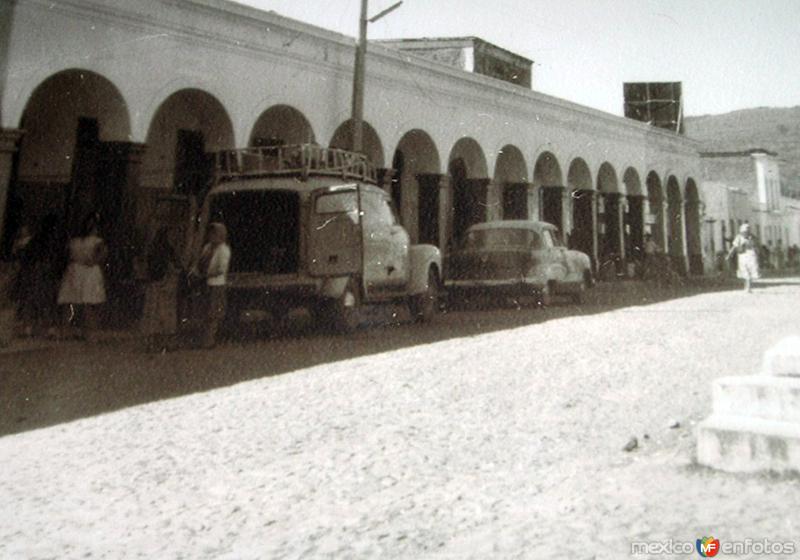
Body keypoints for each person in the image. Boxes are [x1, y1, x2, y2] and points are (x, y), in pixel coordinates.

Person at [12, 216, 64, 337]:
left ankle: (28, 327)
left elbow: (28, 256)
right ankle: (48, 328)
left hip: (34, 271)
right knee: (46, 300)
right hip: (46, 272)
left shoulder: (36, 240)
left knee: (31, 299)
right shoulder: (54, 240)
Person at [57, 214, 107, 340]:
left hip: (74, 270)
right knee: (89, 302)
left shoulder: (74, 242)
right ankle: (89, 332)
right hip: (89, 272)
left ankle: (65, 331)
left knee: (69, 302)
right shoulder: (97, 242)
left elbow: (67, 255)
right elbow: (100, 258)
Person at [140, 225, 183, 352]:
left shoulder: (154, 250)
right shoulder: (167, 251)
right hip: (164, 285)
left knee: (155, 314)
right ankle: (163, 343)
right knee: (163, 314)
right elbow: (175, 267)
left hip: (156, 285)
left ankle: (154, 343)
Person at [193, 222, 231, 349]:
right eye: (210, 233)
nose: (211, 236)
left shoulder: (223, 250)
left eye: (214, 233)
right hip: (205, 284)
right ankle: (203, 339)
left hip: (216, 284)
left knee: (213, 314)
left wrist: (207, 274)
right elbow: (201, 262)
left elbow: (221, 269)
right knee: (204, 312)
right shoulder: (208, 247)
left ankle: (209, 341)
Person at [727, 223, 760, 293]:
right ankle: (746, 287)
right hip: (742, 256)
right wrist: (729, 254)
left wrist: (758, 253)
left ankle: (748, 287)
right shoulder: (738, 237)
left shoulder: (753, 237)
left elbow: (757, 246)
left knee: (750, 272)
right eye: (744, 231)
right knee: (744, 271)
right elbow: (734, 247)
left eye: (747, 231)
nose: (746, 233)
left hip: (751, 255)